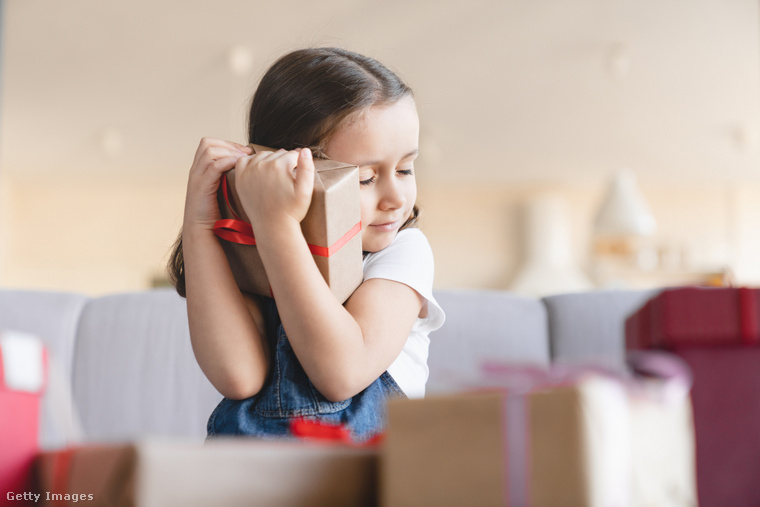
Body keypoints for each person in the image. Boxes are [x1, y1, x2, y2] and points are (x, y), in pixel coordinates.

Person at [167, 47, 445, 442]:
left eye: (404, 169)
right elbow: (238, 376)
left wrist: (276, 224)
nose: (396, 197)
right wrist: (199, 222)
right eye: (366, 178)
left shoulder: (404, 252)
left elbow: (342, 373)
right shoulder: (257, 249)